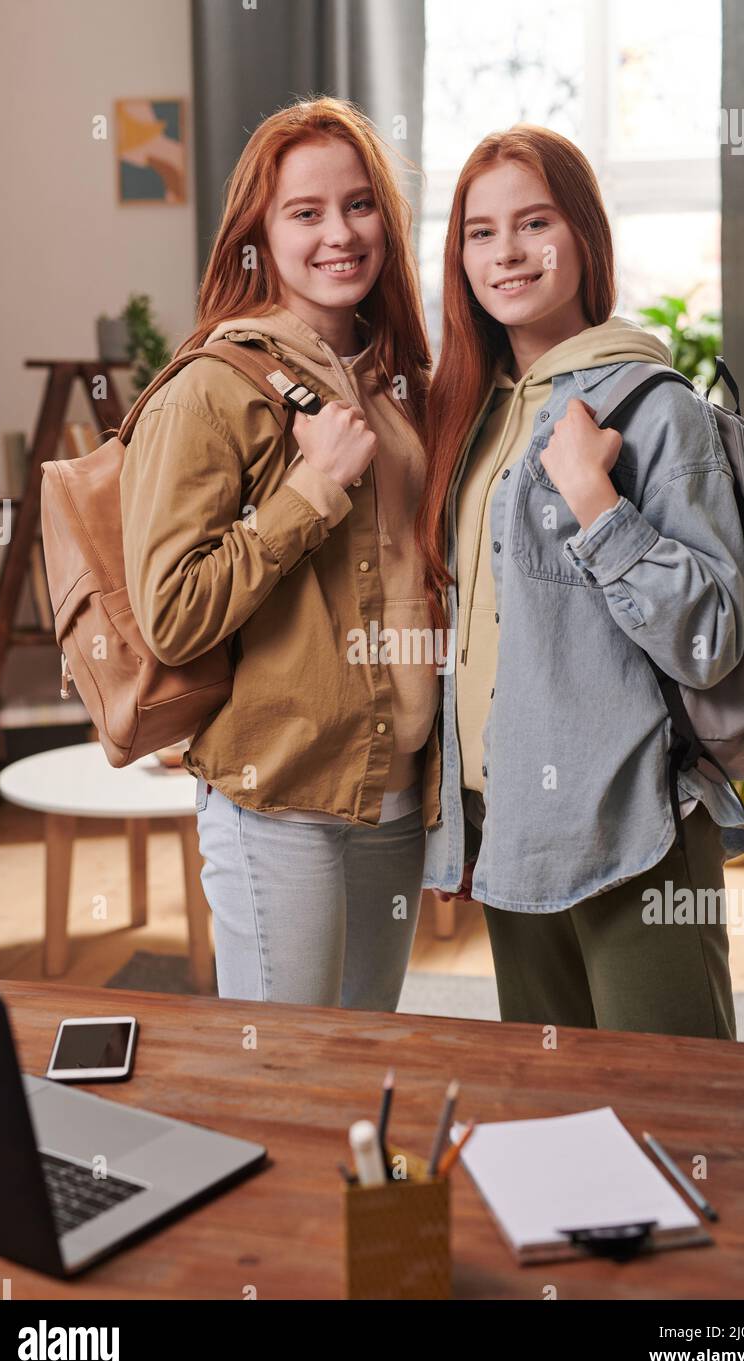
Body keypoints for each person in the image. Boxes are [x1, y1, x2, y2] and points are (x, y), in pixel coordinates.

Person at [417, 125, 744, 1038]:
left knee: (676, 1119)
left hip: (633, 828)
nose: (507, 253)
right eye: (481, 232)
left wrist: (596, 503)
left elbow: (711, 635)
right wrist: (454, 819)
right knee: (553, 1114)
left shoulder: (659, 410)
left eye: (534, 223)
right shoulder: (476, 417)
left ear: (584, 234)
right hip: (510, 828)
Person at [120, 98, 440, 1009]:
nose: (338, 233)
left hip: (392, 786)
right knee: (284, 1076)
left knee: (359, 1051)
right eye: (305, 213)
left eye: (360, 205)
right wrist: (311, 493)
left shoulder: (396, 381)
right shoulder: (210, 390)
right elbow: (173, 615)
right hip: (280, 793)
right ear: (259, 234)